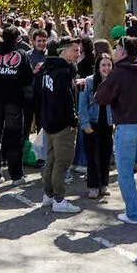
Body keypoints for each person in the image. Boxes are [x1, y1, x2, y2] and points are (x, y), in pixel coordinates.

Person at [96, 36, 137, 225]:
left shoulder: (119, 72)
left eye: (117, 49)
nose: (115, 52)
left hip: (127, 127)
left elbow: (101, 97)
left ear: (123, 51)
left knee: (125, 173)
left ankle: (133, 214)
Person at [35, 36, 82, 213]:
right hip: (62, 125)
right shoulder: (62, 71)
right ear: (64, 51)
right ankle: (59, 200)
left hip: (49, 122)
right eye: (75, 50)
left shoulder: (48, 68)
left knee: (52, 161)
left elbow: (42, 95)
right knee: (61, 163)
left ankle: (48, 195)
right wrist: (73, 121)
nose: (78, 53)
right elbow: (66, 100)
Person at [0, 26, 33, 186]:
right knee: (13, 138)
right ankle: (16, 175)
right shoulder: (21, 55)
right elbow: (28, 78)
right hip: (14, 101)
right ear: (16, 38)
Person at [78, 53, 114, 200]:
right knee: (93, 156)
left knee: (106, 155)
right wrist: (85, 125)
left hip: (108, 123)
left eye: (109, 65)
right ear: (98, 67)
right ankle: (93, 186)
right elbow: (82, 105)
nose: (106, 68)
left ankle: (104, 184)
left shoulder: (115, 82)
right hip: (93, 123)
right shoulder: (89, 81)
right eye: (103, 65)